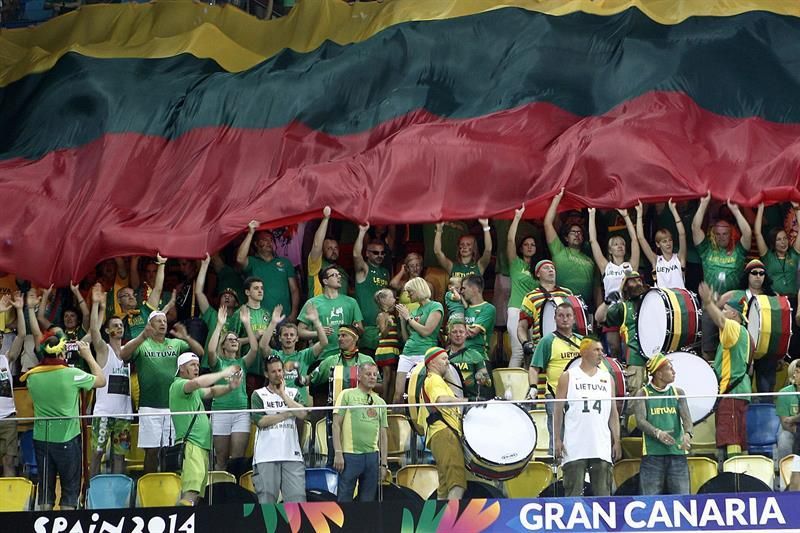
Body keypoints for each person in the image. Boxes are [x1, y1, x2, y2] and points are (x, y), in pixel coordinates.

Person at [22, 338, 105, 510]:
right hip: (67, 439)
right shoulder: (71, 374)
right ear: (61, 353)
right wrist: (88, 356)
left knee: (45, 490)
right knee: (69, 490)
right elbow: (101, 380)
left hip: (41, 439)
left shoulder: (32, 377)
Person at [121, 312, 205, 473]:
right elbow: (123, 355)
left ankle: (169, 485)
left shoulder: (176, 343)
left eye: (165, 321)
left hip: (172, 406)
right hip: (149, 407)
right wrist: (142, 337)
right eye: (158, 321)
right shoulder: (142, 344)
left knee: (170, 450)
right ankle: (151, 485)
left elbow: (200, 352)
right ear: (150, 325)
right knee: (151, 451)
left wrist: (186, 337)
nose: (162, 323)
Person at [170, 352, 242, 505]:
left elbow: (212, 391)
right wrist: (223, 373)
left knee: (196, 494)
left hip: (201, 446)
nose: (196, 368)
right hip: (191, 445)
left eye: (197, 365)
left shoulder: (192, 391)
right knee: (191, 492)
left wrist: (230, 386)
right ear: (181, 368)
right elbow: (197, 383)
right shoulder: (178, 385)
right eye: (192, 365)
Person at [553, 338, 621, 497]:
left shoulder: (607, 379)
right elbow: (558, 410)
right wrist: (557, 439)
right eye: (596, 350)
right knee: (573, 494)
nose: (601, 354)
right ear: (583, 352)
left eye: (601, 350)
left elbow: (613, 413)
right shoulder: (568, 376)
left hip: (601, 445)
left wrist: (616, 440)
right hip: (575, 445)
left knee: (603, 496)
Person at [692, 192, 752, 360]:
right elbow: (695, 228)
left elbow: (748, 234)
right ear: (713, 234)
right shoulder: (706, 250)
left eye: (725, 233)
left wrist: (736, 210)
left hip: (732, 308)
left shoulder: (738, 252)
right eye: (717, 234)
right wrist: (704, 203)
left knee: (731, 347)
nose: (721, 237)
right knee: (708, 351)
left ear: (731, 233)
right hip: (710, 305)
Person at [698, 281, 751, 460]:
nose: (722, 313)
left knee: (732, 439)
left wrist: (708, 303)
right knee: (736, 438)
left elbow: (720, 320)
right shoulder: (740, 332)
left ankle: (734, 476)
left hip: (732, 394)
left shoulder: (734, 327)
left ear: (734, 313)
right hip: (735, 394)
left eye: (725, 309)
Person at [207, 305, 259, 471]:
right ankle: (222, 491)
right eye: (230, 339)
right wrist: (220, 325)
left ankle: (236, 493)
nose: (234, 341)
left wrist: (246, 323)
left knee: (237, 459)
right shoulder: (219, 364)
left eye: (236, 340)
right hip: (220, 412)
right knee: (221, 460)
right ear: (223, 345)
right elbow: (210, 350)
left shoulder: (242, 362)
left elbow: (255, 348)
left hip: (241, 413)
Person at [632, 354, 693, 495]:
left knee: (682, 499)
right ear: (659, 373)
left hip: (677, 453)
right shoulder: (643, 393)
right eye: (670, 369)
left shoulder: (678, 393)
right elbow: (640, 421)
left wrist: (688, 434)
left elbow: (687, 419)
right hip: (653, 455)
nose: (674, 372)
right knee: (650, 501)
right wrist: (657, 433)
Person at [251, 356, 309, 503]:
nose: (278, 374)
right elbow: (261, 421)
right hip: (266, 456)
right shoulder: (258, 395)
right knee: (267, 503)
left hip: (292, 455)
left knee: (297, 502)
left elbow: (302, 413)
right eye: (273, 372)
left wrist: (283, 394)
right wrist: (287, 413)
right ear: (266, 374)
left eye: (280, 370)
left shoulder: (293, 393)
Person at [88, 285, 132, 478]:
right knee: (97, 454)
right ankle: (90, 493)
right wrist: (96, 304)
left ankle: (118, 498)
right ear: (107, 330)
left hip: (124, 415)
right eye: (114, 325)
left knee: (119, 457)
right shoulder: (103, 350)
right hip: (104, 414)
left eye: (121, 325)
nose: (119, 327)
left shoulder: (128, 351)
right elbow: (93, 331)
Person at [528, 302, 582, 453]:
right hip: (555, 395)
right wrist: (533, 388)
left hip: (579, 395)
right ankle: (555, 467)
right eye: (561, 316)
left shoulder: (582, 342)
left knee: (579, 434)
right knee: (557, 436)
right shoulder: (547, 341)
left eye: (568, 316)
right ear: (555, 318)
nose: (565, 319)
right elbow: (533, 368)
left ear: (574, 319)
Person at [332, 361, 388, 502]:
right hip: (350, 455)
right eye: (368, 374)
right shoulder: (346, 395)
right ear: (359, 376)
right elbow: (336, 425)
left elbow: (383, 434)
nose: (372, 377)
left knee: (368, 501)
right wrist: (338, 453)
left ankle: (365, 524)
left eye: (375, 375)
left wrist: (383, 463)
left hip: (372, 456)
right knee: (344, 499)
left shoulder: (380, 402)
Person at [588, 207, 639, 357]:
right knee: (614, 348)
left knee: (629, 348)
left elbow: (635, 239)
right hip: (610, 310)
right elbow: (593, 241)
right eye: (616, 244)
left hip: (628, 309)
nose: (620, 246)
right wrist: (592, 215)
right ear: (610, 249)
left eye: (622, 243)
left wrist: (626, 216)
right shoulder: (605, 266)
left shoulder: (631, 265)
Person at [418, 347, 468, 499]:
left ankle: (440, 521)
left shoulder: (434, 381)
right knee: (457, 481)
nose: (448, 363)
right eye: (444, 359)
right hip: (445, 432)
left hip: (438, 434)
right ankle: (451, 522)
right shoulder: (434, 380)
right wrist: (466, 401)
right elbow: (440, 400)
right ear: (431, 362)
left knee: (445, 484)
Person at [722, 259, 776, 395]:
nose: (758, 276)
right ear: (747, 275)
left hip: (765, 349)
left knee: (766, 391)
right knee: (742, 390)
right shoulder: (735, 295)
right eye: (754, 273)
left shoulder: (773, 297)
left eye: (762, 273)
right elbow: (712, 310)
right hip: (742, 348)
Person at [260, 303, 328, 408]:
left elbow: (324, 343)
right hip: (279, 404)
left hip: (300, 404)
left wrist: (316, 322)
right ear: (279, 338)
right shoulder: (275, 356)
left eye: (292, 335)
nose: (288, 337)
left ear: (297, 339)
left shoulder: (304, 355)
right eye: (285, 335)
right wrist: (273, 322)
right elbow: (263, 346)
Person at [595, 271, 649, 393]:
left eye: (639, 280)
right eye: (633, 281)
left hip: (658, 358)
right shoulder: (623, 307)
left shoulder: (654, 301)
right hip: (636, 360)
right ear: (625, 286)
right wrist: (607, 302)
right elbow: (599, 318)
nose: (638, 283)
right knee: (635, 398)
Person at [393, 277, 444, 404]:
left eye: (410, 292)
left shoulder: (435, 306)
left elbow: (427, 331)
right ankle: (395, 422)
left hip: (425, 354)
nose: (408, 295)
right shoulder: (414, 311)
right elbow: (406, 338)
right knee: (398, 394)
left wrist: (408, 318)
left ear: (418, 289)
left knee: (422, 392)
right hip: (407, 353)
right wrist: (402, 320)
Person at [237, 220, 300, 321]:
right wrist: (250, 233)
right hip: (259, 318)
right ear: (256, 244)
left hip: (283, 317)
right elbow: (240, 259)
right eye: (264, 240)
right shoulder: (252, 262)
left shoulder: (285, 262)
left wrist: (294, 313)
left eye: (271, 240)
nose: (269, 242)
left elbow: (294, 290)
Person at [544, 188, 596, 309]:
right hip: (561, 304)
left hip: (584, 307)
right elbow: (547, 223)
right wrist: (557, 199)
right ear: (566, 238)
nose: (577, 234)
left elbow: (596, 287)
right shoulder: (559, 250)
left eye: (579, 232)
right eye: (573, 232)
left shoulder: (590, 260)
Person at [298, 265, 363, 360]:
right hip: (322, 358)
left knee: (350, 375)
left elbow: (361, 330)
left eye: (339, 275)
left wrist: (356, 329)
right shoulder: (312, 303)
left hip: (348, 357)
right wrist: (319, 332)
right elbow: (300, 331)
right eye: (334, 275)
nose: (339, 277)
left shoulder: (351, 302)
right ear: (325, 281)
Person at [517, 260, 572, 366]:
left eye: (552, 268)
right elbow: (522, 327)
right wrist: (525, 343)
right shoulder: (530, 297)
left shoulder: (567, 293)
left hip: (566, 347)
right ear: (538, 274)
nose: (551, 270)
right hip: (542, 348)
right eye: (546, 268)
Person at [506, 204, 539, 368]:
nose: (529, 247)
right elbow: (510, 240)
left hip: (533, 313)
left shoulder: (540, 268)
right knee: (519, 351)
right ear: (521, 248)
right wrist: (517, 217)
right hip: (516, 310)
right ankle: (510, 390)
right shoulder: (515, 264)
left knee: (531, 352)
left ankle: (529, 390)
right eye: (526, 244)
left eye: (533, 244)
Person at [195, 254, 244, 358]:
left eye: (231, 296)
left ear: (236, 303)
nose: (226, 297)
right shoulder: (212, 314)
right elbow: (199, 292)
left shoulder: (239, 318)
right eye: (223, 296)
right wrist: (204, 266)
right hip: (209, 365)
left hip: (229, 365)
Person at [353, 223, 390, 354]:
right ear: (367, 254)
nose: (379, 255)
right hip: (366, 330)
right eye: (375, 252)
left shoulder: (386, 272)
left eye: (382, 253)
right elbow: (356, 255)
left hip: (384, 329)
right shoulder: (364, 270)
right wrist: (362, 232)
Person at [636, 200, 687, 289]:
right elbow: (641, 238)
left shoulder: (679, 258)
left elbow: (682, 235)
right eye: (664, 241)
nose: (668, 243)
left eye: (670, 240)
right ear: (658, 244)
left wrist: (674, 210)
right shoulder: (655, 260)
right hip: (661, 300)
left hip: (679, 300)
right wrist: (639, 214)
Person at [0, 292, 24, 477]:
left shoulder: (6, 359)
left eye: (1, 336)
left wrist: (20, 309)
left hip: (8, 417)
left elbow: (22, 335)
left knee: (9, 461)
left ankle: (9, 503)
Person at [117, 254, 167, 341]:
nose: (131, 297)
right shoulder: (115, 320)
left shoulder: (144, 311)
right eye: (126, 295)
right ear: (119, 300)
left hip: (147, 351)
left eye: (133, 295)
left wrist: (162, 264)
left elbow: (157, 289)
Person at [307, 206, 350, 297]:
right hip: (319, 310)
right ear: (322, 251)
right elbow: (316, 245)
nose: (333, 251)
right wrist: (326, 219)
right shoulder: (316, 265)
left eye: (335, 248)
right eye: (329, 248)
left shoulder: (342, 271)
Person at [446, 318, 492, 400]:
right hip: (450, 400)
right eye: (454, 332)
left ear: (466, 334)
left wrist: (482, 378)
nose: (458, 335)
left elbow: (488, 383)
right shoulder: (443, 356)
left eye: (461, 332)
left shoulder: (475, 355)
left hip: (470, 401)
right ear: (449, 335)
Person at [374, 288, 401, 402]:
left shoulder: (392, 315)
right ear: (383, 300)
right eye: (391, 297)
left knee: (394, 376)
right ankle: (383, 400)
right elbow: (383, 334)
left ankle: (389, 401)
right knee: (387, 375)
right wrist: (389, 325)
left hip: (393, 349)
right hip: (385, 350)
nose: (394, 299)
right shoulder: (382, 316)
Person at [461, 274, 496, 359]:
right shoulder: (462, 308)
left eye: (464, 288)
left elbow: (472, 332)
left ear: (474, 289)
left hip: (478, 356)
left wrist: (458, 326)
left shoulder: (488, 308)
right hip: (460, 355)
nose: (461, 292)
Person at [776, 360, 800, 467]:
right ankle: (784, 476)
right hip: (791, 430)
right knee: (784, 438)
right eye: (795, 372)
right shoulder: (784, 393)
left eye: (798, 372)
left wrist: (792, 419)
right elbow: (785, 423)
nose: (795, 375)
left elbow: (789, 420)